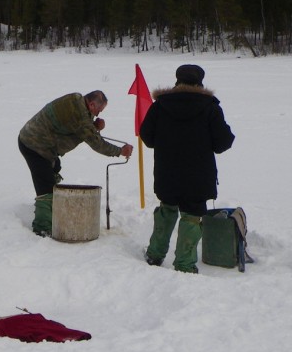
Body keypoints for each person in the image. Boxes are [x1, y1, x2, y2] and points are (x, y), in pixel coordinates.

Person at [140, 65, 235, 273]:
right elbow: (223, 143)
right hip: (198, 175)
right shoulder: (210, 107)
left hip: (167, 172)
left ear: (177, 80)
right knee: (192, 216)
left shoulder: (160, 105)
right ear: (200, 82)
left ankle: (155, 255)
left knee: (167, 209)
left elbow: (146, 136)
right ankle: (184, 264)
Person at [19, 90, 133, 236]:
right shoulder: (81, 120)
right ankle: (42, 228)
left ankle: (52, 205)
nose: (98, 114)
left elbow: (74, 122)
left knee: (55, 167)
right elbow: (97, 144)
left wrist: (94, 126)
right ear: (91, 104)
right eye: (98, 110)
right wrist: (120, 151)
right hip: (34, 145)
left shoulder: (76, 98)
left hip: (38, 139)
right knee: (45, 187)